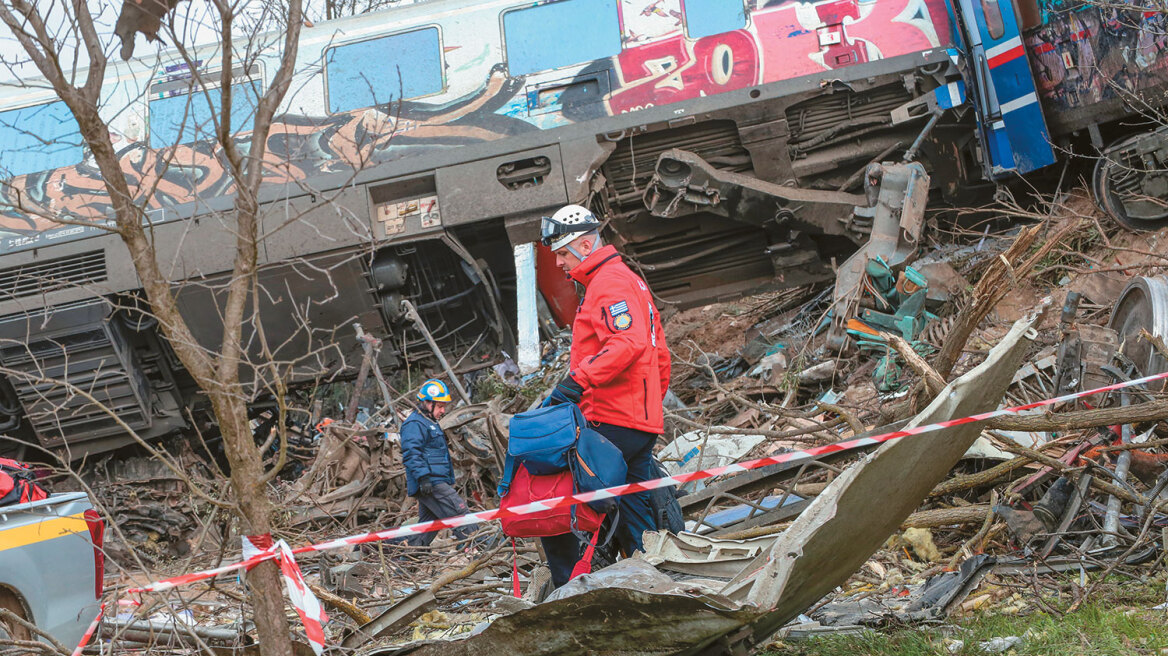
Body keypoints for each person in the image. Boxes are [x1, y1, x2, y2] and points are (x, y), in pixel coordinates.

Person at [539, 203, 671, 586]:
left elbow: (627, 342)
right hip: (637, 420)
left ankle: (573, 585)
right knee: (634, 507)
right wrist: (650, 405)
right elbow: (658, 353)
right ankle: (651, 578)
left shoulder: (609, 283)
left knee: (566, 500)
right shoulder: (626, 280)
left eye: (563, 253)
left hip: (611, 419)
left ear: (584, 244)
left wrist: (575, 383)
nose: (559, 262)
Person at [400, 378, 474, 547]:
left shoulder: (429, 423)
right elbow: (411, 453)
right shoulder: (414, 424)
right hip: (431, 482)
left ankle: (407, 557)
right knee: (459, 511)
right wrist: (423, 478)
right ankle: (479, 545)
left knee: (427, 527)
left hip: (434, 481)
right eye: (440, 406)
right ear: (427, 403)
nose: (443, 410)